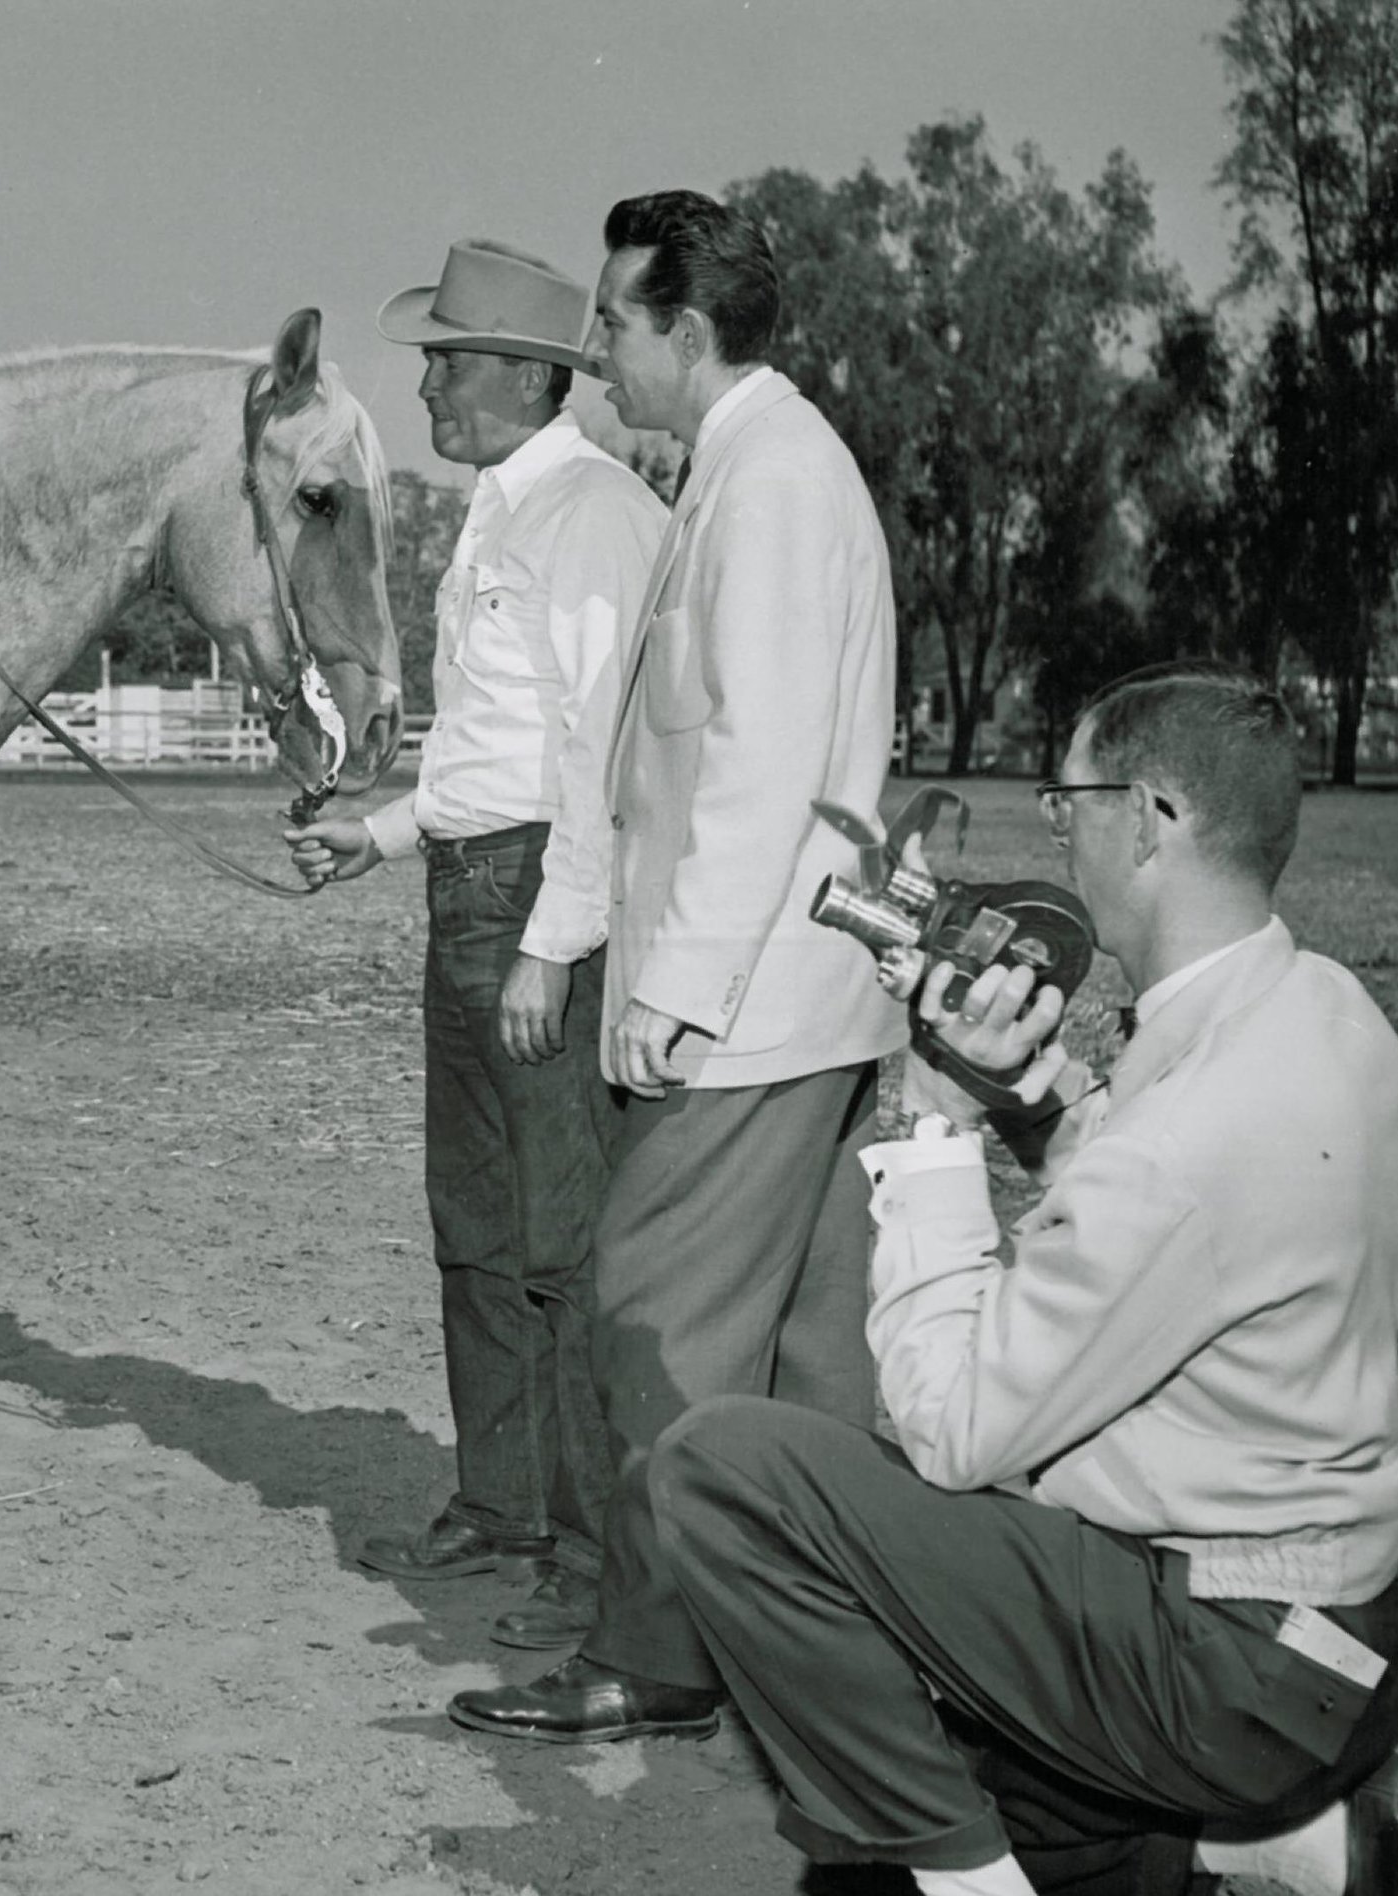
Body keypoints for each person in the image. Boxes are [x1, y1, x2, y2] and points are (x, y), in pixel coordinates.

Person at [642, 664, 1398, 1896]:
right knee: (914, 1809)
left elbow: (951, 1427)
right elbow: (1175, 1211)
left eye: (1068, 801)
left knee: (725, 1478)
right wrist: (1033, 1097)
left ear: (1155, 815)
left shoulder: (1197, 1129)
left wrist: (938, 1117)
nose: (1053, 830)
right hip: (1338, 1638)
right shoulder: (1318, 1015)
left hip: (1230, 1670)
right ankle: (1327, 1849)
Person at [446, 189, 905, 1735]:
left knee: (657, 1329)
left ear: (685, 334)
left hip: (749, 1010)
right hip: (801, 1003)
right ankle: (853, 1647)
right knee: (817, 1362)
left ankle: (656, 1658)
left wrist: (671, 993)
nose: (598, 350)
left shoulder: (771, 483)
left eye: (614, 323)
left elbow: (760, 769)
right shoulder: (753, 468)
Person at [285, 240, 665, 1647]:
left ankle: (586, 1556)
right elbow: (496, 746)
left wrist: (552, 946)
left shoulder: (597, 518)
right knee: (478, 1229)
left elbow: (600, 757)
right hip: (473, 888)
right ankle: (501, 1507)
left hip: (536, 907)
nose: (431, 383)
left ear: (525, 373)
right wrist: (382, 835)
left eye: (449, 359)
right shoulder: (506, 514)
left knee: (564, 1242)